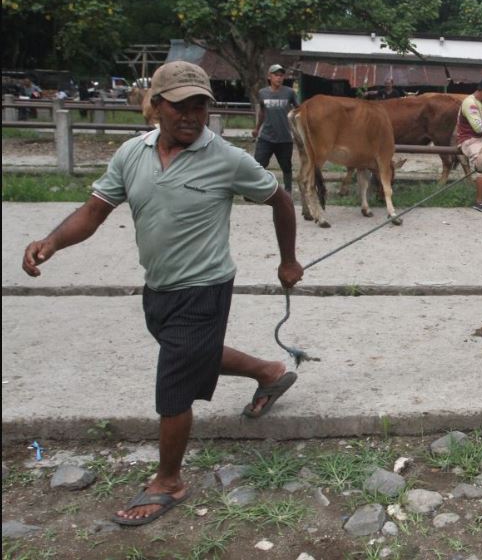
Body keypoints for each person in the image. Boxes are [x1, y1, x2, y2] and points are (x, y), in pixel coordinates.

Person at [22, 61, 304, 527]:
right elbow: (93, 212)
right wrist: (51, 242)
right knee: (193, 354)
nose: (191, 117)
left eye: (200, 107)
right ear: (155, 106)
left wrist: (288, 260)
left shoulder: (227, 158)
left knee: (173, 385)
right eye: (180, 107)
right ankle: (270, 373)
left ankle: (169, 480)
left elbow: (280, 199)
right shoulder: (131, 154)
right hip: (158, 287)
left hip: (206, 287)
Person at [253, 64, 299, 193]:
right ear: (269, 76)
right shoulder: (263, 93)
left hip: (285, 138)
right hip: (266, 137)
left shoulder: (289, 92)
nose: (279, 78)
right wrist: (257, 128)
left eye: (281, 75)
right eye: (276, 75)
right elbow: (262, 112)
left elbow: (298, 110)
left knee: (286, 167)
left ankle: (288, 191)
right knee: (258, 165)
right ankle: (256, 190)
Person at [456, 78, 482, 212]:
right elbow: (479, 128)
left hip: (480, 139)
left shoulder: (479, 102)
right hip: (470, 140)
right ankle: (479, 202)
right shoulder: (470, 104)